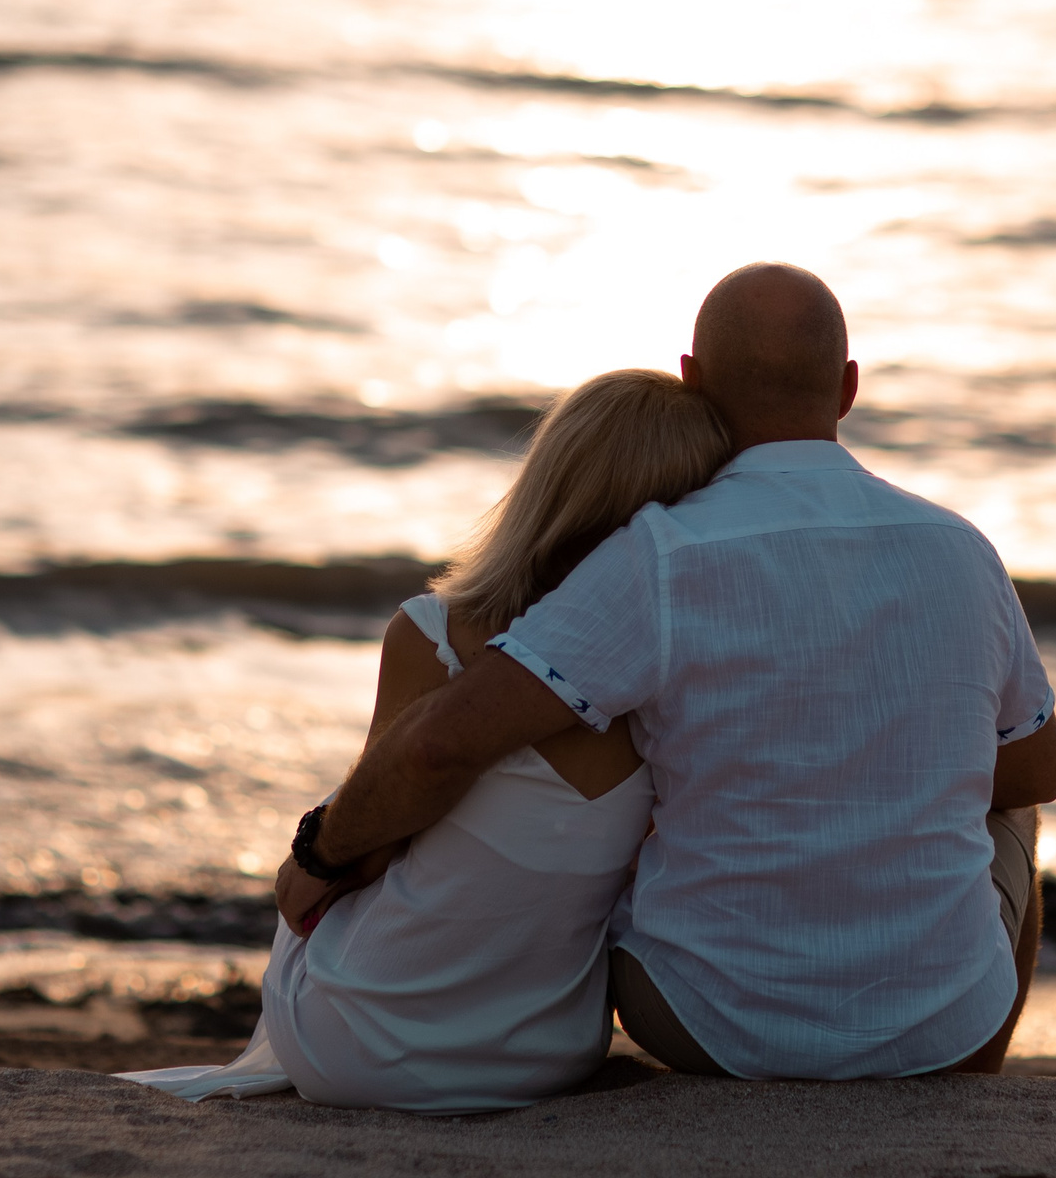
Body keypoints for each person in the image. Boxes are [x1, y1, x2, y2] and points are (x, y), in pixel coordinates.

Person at [299, 263, 1056, 1080]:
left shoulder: (659, 555)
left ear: (692, 381)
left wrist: (321, 852)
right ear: (846, 388)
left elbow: (441, 743)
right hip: (945, 1030)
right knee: (1013, 807)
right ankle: (973, 1074)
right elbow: (1038, 767)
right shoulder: (961, 549)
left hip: (705, 1023)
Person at [117, 368, 727, 1112]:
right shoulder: (681, 678)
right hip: (547, 1054)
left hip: (357, 1052)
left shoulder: (435, 636)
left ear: (552, 483)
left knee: (354, 817)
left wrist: (311, 856)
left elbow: (364, 849)